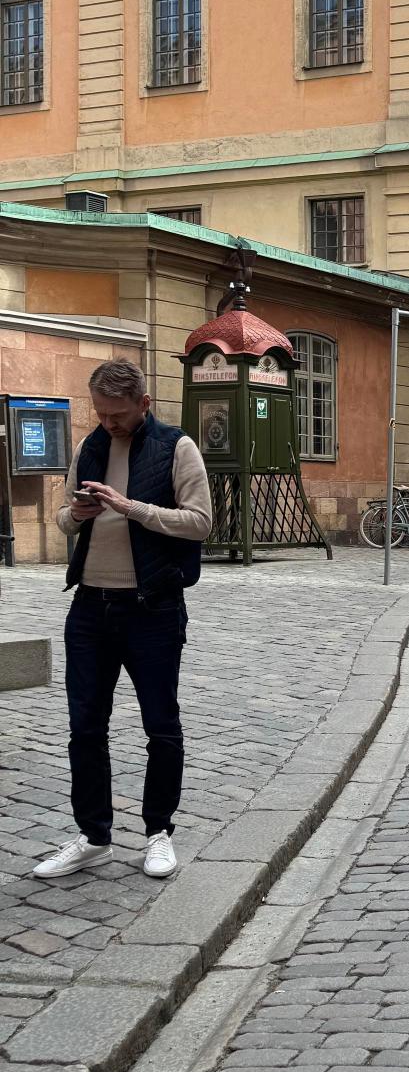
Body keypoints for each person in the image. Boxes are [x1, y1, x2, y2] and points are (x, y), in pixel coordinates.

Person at [35, 359, 212, 882]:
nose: (108, 423)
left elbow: (200, 522)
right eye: (100, 413)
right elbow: (63, 519)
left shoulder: (176, 447)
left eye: (117, 414)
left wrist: (130, 507)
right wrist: (77, 514)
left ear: (144, 404)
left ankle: (158, 833)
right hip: (90, 607)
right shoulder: (90, 446)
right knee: (85, 728)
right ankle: (93, 838)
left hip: (152, 608)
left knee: (161, 726)